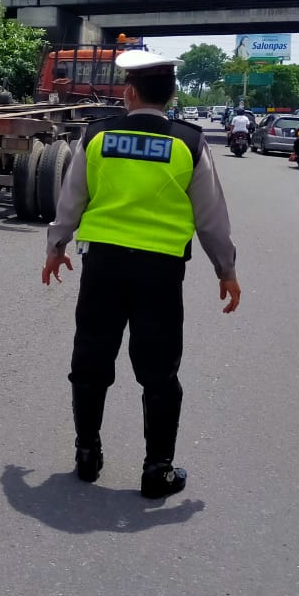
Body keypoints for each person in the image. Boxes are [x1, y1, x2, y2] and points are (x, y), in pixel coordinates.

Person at [41, 50, 241, 499]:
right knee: (159, 371)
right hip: (160, 273)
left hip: (103, 267)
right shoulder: (188, 143)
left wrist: (56, 247)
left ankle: (87, 455)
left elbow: (71, 198)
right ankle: (158, 470)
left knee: (91, 360)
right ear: (170, 96)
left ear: (128, 92)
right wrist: (225, 270)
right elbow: (211, 216)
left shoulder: (97, 136)